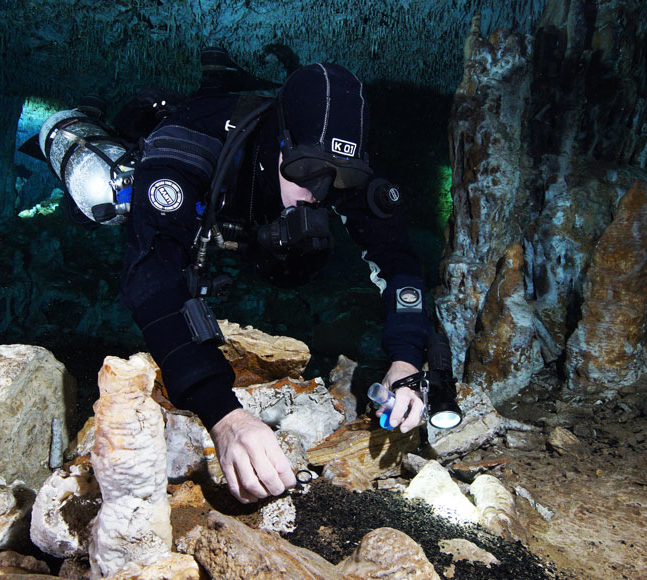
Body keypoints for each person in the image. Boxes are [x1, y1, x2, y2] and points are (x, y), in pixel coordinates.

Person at [118, 54, 433, 503]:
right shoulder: (192, 143)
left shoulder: (339, 172)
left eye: (337, 177)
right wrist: (224, 415)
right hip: (195, 183)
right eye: (308, 171)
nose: (320, 194)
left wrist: (406, 359)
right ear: (278, 145)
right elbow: (150, 276)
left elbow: (398, 262)